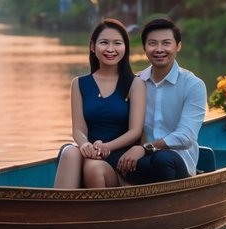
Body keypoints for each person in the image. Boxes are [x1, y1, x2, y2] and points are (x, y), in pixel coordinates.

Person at [53, 18, 145, 189]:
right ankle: (60, 213)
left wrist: (106, 147)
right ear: (93, 47)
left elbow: (135, 131)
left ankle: (97, 214)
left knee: (93, 168)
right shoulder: (79, 83)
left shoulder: (135, 84)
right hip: (89, 153)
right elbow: (78, 130)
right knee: (70, 152)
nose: (110, 49)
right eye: (104, 43)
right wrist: (85, 144)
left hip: (118, 160)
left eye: (117, 43)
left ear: (125, 47)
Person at [115, 17, 207, 184]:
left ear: (178, 46)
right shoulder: (137, 83)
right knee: (116, 160)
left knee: (163, 159)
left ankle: (166, 208)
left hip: (178, 164)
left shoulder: (193, 85)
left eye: (166, 43)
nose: (159, 49)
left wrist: (145, 148)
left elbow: (186, 136)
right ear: (144, 47)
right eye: (152, 44)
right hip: (142, 160)